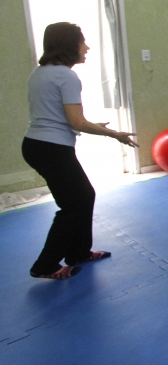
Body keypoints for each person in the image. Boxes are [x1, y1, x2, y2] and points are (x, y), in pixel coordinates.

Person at [21, 22, 138, 280]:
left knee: (83, 196)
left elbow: (58, 115)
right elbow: (76, 122)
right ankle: (45, 265)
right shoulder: (66, 75)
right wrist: (114, 134)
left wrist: (95, 125)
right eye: (82, 41)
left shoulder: (39, 73)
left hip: (37, 145)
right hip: (51, 148)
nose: (86, 47)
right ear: (69, 45)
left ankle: (79, 253)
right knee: (74, 204)